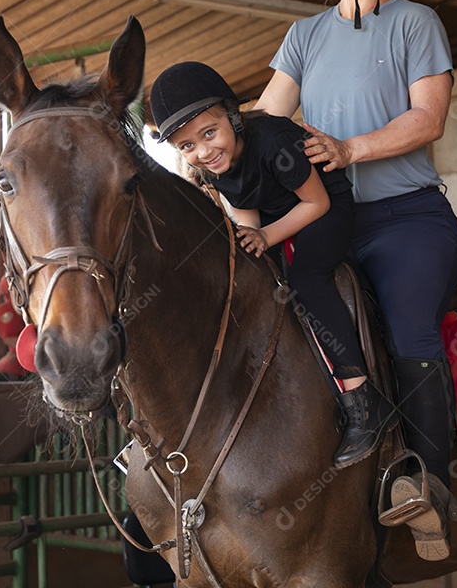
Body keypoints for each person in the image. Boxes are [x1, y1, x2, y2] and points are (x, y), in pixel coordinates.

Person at [253, 0, 457, 562]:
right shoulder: (304, 35)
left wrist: (349, 149)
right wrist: (210, 146)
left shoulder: (417, 22)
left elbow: (428, 118)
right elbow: (265, 119)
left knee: (408, 327)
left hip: (408, 218)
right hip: (328, 215)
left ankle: (430, 492)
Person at [149, 61, 398, 469]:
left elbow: (316, 203)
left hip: (323, 210)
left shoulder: (274, 141)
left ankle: (364, 400)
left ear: (232, 117)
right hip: (275, 215)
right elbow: (246, 208)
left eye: (209, 133)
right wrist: (250, 247)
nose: (203, 151)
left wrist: (265, 237)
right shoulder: (214, 166)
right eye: (187, 146)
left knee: (306, 279)